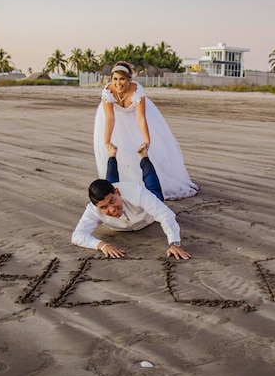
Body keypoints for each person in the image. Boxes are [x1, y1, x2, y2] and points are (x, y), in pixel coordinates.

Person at [94, 61, 198, 200]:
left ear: (129, 79)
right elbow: (110, 119)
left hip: (134, 118)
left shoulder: (136, 91)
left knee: (144, 149)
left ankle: (147, 182)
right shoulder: (108, 92)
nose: (118, 83)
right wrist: (107, 142)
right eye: (115, 79)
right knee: (119, 151)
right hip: (117, 121)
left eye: (122, 79)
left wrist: (147, 140)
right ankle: (122, 186)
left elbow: (141, 118)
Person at [72, 143, 191, 260]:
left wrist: (174, 244)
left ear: (118, 192)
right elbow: (77, 236)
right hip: (118, 219)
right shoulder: (93, 209)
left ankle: (144, 157)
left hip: (146, 219)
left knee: (154, 190)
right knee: (110, 182)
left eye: (113, 201)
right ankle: (112, 154)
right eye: (103, 207)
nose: (112, 209)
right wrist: (102, 245)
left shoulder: (136, 192)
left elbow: (165, 214)